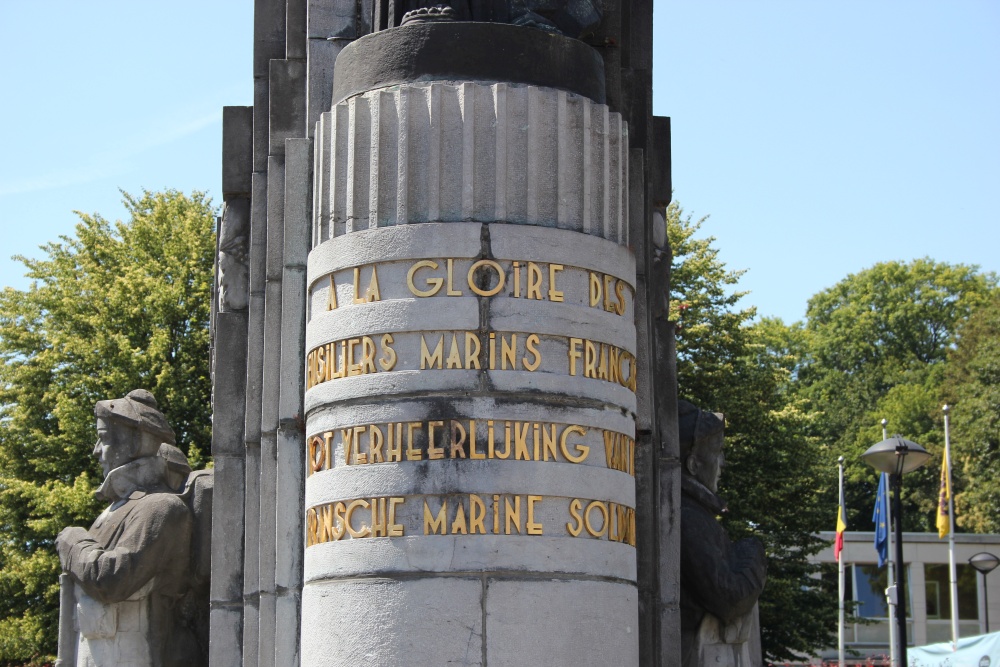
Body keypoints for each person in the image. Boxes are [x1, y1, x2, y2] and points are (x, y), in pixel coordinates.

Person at [56, 390, 207, 667]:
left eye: (103, 439)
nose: (96, 451)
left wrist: (72, 542)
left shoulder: (160, 507)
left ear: (135, 442)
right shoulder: (115, 510)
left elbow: (111, 579)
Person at [679, 400, 766, 667]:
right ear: (693, 464)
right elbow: (728, 597)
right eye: (718, 452)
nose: (723, 463)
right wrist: (753, 551)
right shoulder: (689, 517)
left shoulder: (695, 514)